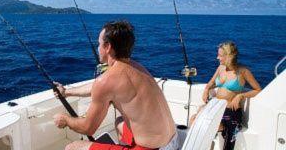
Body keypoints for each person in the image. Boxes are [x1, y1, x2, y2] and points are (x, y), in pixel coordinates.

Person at [53, 20, 180, 150]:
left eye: (99, 43)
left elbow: (88, 128)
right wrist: (67, 92)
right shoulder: (137, 67)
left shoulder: (106, 81)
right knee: (119, 122)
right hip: (173, 140)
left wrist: (65, 120)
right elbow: (98, 87)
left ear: (107, 47)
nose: (98, 48)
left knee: (73, 147)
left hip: (152, 149)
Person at [193, 41, 261, 150]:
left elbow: (258, 90)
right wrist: (206, 89)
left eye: (220, 55)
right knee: (194, 120)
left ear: (229, 56)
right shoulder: (220, 68)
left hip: (230, 110)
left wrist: (240, 96)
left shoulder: (243, 71)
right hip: (215, 106)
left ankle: (224, 130)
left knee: (220, 133)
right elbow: (212, 83)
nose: (217, 58)